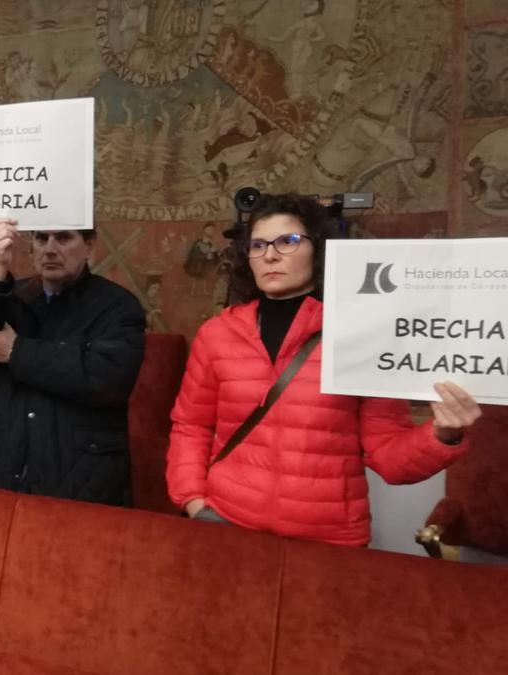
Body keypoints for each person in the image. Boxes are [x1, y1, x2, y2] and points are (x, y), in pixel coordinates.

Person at [166, 193, 481, 547]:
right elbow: (191, 426)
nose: (270, 255)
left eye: (288, 241)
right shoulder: (217, 334)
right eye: (257, 244)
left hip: (327, 542)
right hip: (227, 525)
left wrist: (442, 435)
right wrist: (193, 501)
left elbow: (391, 460)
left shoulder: (359, 335)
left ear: (319, 249)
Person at [0, 220, 146, 505]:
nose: (50, 249)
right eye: (41, 238)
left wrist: (16, 351)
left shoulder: (117, 306)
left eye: (63, 238)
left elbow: (105, 380)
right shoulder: (13, 295)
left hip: (78, 470)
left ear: (89, 246)